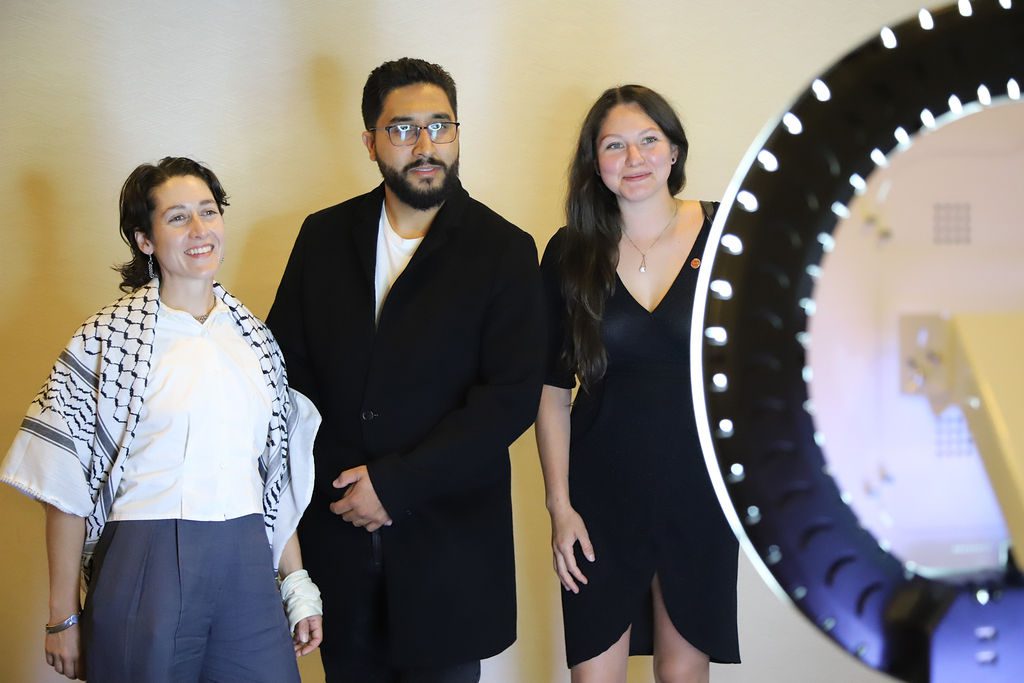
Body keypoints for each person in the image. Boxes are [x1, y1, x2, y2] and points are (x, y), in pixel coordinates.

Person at [266, 57, 545, 683]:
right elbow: (285, 378)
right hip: (338, 542)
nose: (425, 145)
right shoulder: (322, 236)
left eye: (440, 126)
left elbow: (509, 397)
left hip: (448, 553)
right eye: (402, 129)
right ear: (370, 142)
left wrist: (397, 484)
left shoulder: (503, 249)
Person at [0, 157, 324, 682]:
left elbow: (273, 479)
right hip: (144, 559)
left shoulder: (256, 341)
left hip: (248, 561)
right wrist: (63, 615)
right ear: (145, 239)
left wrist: (296, 583)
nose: (199, 229)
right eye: (177, 217)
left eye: (208, 211)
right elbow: (63, 483)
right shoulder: (106, 338)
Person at [536, 86, 741, 682]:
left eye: (649, 140)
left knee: (682, 673)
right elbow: (551, 391)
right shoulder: (570, 251)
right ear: (594, 161)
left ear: (674, 149)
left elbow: (761, 365)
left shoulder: (726, 232)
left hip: (700, 489)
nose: (634, 158)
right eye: (615, 145)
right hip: (599, 495)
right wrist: (560, 508)